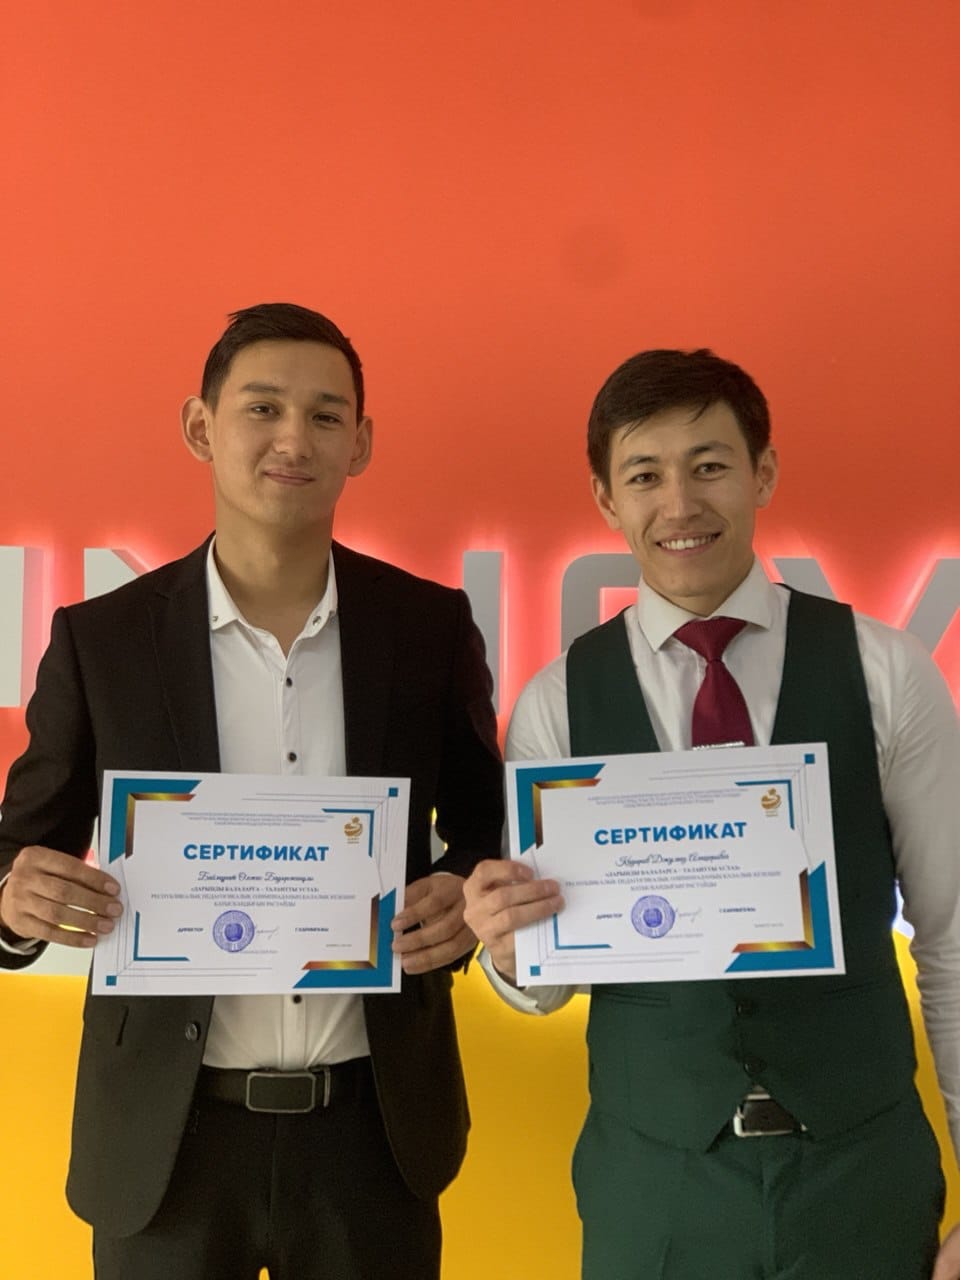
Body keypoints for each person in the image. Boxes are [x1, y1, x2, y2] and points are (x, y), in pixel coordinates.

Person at [0, 302, 503, 1280]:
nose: (293, 439)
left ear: (361, 442)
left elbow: (489, 827)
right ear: (201, 427)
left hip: (372, 1135)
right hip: (167, 1141)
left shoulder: (429, 628)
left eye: (325, 415)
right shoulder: (104, 641)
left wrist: (465, 891)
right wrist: (14, 903)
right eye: (262, 408)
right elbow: (18, 846)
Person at [462, 348, 960, 1280]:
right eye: (645, 476)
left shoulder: (886, 673)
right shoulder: (557, 702)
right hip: (653, 1188)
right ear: (607, 500)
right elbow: (546, 983)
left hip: (862, 1175)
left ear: (762, 473)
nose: (680, 504)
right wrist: (507, 951)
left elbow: (953, 938)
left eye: (710, 466)